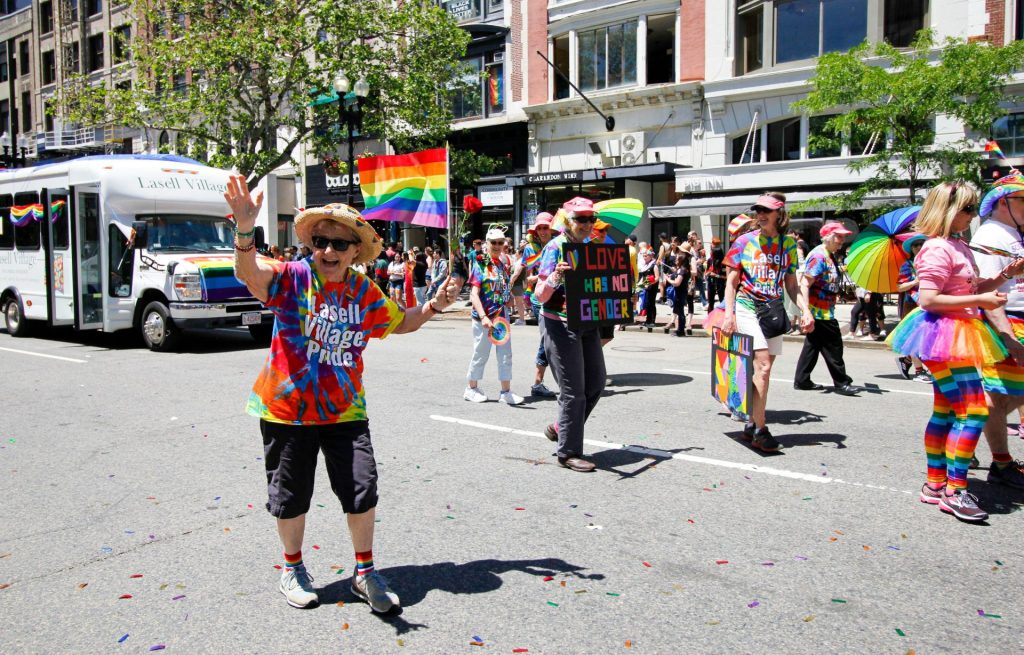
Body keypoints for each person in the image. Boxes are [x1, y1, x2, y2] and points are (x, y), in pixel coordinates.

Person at [224, 176, 460, 612]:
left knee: (361, 488)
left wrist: (434, 306)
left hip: (345, 411)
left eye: (338, 243)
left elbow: (399, 322)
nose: (328, 251)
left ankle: (364, 573)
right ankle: (292, 567)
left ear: (355, 251)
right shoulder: (293, 277)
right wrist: (244, 230)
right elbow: (249, 273)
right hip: (287, 410)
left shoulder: (364, 291)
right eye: (321, 241)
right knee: (291, 496)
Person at [887, 181, 1024, 522]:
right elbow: (929, 299)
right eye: (966, 209)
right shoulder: (936, 249)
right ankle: (955, 491)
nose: (972, 214)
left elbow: (973, 287)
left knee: (947, 412)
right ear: (946, 211)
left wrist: (1006, 274)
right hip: (942, 335)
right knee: (975, 411)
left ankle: (935, 484)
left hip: (958, 333)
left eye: (973, 207)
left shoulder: (958, 245)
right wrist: (980, 300)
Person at [721, 192, 811, 452]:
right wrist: (730, 315)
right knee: (762, 367)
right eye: (758, 210)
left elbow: (791, 285)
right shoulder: (743, 242)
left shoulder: (789, 245)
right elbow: (731, 282)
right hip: (748, 307)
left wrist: (805, 309)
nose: (760, 214)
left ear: (779, 214)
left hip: (772, 312)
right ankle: (761, 429)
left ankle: (751, 423)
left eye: (766, 211)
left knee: (764, 370)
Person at [533, 197, 607, 472]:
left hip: (586, 321)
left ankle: (560, 427)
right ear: (568, 221)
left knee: (596, 382)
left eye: (591, 219)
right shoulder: (555, 247)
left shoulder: (590, 248)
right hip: (559, 322)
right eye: (581, 219)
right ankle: (568, 452)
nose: (587, 224)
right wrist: (555, 277)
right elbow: (540, 295)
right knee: (573, 390)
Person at [968, 174, 1024, 489]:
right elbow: (991, 298)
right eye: (1022, 200)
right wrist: (1008, 338)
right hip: (1008, 324)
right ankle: (1001, 462)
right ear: (1004, 203)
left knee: (1010, 397)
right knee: (998, 398)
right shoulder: (991, 235)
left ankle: (964, 438)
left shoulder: (1014, 233)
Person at [793, 223, 861, 396]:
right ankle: (841, 383)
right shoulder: (818, 256)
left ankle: (802, 380)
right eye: (839, 236)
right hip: (819, 311)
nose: (842, 240)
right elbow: (805, 284)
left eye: (843, 237)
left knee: (813, 346)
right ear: (829, 237)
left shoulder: (829, 255)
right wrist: (806, 312)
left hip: (824, 309)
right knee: (834, 347)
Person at [464, 226, 523, 405]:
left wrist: (509, 298)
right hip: (484, 318)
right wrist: (483, 316)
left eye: (500, 242)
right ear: (487, 244)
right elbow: (474, 294)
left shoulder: (503, 264)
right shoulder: (480, 263)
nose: (497, 246)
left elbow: (503, 289)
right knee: (480, 353)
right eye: (494, 243)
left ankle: (505, 391)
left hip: (501, 318)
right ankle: (471, 388)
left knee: (505, 354)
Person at [895, 234, 931, 382]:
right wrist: (916, 281)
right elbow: (899, 286)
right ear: (911, 249)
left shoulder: (931, 262)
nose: (919, 247)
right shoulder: (907, 265)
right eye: (915, 245)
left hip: (929, 304)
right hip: (911, 304)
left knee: (928, 338)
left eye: (921, 243)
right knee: (915, 338)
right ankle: (919, 371)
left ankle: (907, 360)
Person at [666, 252, 696, 336]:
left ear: (681, 260)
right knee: (679, 310)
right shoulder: (681, 269)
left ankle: (681, 330)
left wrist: (668, 279)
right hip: (679, 292)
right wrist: (673, 273)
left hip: (680, 292)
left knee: (680, 311)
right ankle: (680, 329)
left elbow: (677, 283)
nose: (675, 260)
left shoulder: (683, 270)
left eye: (677, 259)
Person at [637, 248, 660, 327]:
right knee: (646, 303)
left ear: (650, 256)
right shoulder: (645, 265)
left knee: (651, 303)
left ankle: (652, 321)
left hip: (652, 287)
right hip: (647, 286)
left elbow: (657, 277)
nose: (644, 257)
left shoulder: (654, 266)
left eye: (646, 256)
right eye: (643, 256)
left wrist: (650, 283)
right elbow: (644, 277)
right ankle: (648, 320)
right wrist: (641, 285)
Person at [706, 236, 726, 308]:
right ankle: (710, 317)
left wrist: (716, 275)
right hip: (711, 282)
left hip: (720, 283)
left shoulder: (723, 263)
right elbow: (707, 270)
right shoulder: (710, 260)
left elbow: (726, 277)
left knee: (722, 301)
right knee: (710, 302)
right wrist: (707, 273)